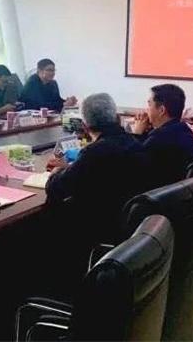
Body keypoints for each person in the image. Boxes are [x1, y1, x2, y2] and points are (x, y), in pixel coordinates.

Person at [43, 93, 150, 286]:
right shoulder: (134, 143)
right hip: (130, 228)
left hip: (99, 228)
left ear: (85, 126)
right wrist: (72, 167)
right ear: (117, 118)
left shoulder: (95, 152)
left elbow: (56, 188)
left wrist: (58, 171)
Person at [132, 83, 193, 185]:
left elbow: (133, 165)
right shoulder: (183, 129)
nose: (146, 111)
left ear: (161, 110)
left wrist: (137, 133)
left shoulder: (159, 138)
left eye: (149, 105)